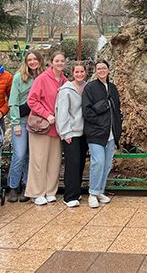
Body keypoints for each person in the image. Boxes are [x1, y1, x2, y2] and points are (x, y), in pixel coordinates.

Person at [24, 51, 68, 206]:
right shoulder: (42, 79)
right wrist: (46, 114)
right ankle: (36, 193)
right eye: (57, 60)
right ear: (51, 62)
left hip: (57, 128)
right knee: (39, 160)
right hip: (41, 126)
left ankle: (50, 191)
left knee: (54, 161)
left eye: (62, 61)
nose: (60, 63)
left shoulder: (64, 81)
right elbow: (32, 100)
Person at [82, 60, 123, 208]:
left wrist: (118, 125)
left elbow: (117, 109)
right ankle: (93, 193)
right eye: (99, 68)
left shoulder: (112, 87)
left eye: (104, 68)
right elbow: (87, 111)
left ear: (108, 70)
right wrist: (99, 123)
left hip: (111, 133)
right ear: (95, 71)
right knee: (97, 162)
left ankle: (100, 190)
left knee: (106, 164)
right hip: (96, 133)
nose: (101, 71)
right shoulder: (90, 88)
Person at [7, 50, 44, 203]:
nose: (32, 62)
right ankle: (13, 186)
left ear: (40, 61)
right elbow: (13, 102)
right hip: (21, 122)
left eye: (35, 59)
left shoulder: (42, 77)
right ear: (26, 62)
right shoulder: (19, 78)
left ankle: (26, 185)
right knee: (20, 154)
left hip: (37, 122)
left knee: (31, 155)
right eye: (29, 59)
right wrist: (15, 123)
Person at [56, 63, 88, 208]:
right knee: (72, 163)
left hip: (84, 132)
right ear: (72, 73)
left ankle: (77, 191)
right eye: (77, 72)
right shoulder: (66, 90)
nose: (79, 74)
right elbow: (62, 112)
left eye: (82, 71)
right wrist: (65, 132)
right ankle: (69, 196)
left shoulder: (87, 87)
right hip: (71, 132)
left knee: (81, 162)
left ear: (86, 73)